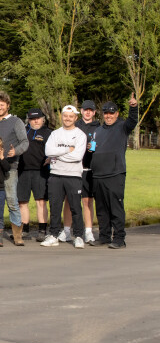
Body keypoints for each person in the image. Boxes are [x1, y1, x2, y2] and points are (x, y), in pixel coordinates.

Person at [90, 95, 138, 249]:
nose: (108, 116)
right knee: (101, 209)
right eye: (106, 113)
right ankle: (104, 236)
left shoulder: (123, 127)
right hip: (98, 174)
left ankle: (119, 238)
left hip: (114, 174)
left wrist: (133, 107)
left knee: (116, 207)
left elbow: (133, 121)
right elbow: (93, 148)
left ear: (117, 114)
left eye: (111, 113)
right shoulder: (98, 130)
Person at [41, 105, 87, 249]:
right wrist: (67, 149)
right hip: (56, 175)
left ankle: (78, 236)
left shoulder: (80, 135)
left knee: (75, 207)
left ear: (75, 118)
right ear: (62, 116)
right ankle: (53, 235)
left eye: (70, 116)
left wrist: (57, 155)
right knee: (55, 207)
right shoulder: (55, 134)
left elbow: (77, 156)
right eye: (65, 116)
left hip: (73, 175)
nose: (67, 119)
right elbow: (48, 151)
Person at [0, 91, 29, 245]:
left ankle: (17, 235)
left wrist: (15, 151)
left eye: (2, 105)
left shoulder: (16, 122)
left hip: (10, 167)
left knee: (12, 201)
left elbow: (24, 142)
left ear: (8, 105)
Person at [17, 108, 52, 242]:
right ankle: (24, 230)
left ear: (43, 119)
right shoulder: (23, 131)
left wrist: (50, 158)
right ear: (29, 120)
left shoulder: (49, 132)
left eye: (38, 118)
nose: (36, 121)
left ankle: (42, 230)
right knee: (22, 202)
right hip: (23, 170)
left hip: (41, 171)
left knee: (40, 201)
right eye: (33, 119)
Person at [72, 100, 101, 243]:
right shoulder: (75, 126)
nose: (88, 112)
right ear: (81, 111)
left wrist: (95, 147)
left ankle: (88, 231)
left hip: (90, 168)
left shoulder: (99, 128)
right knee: (71, 200)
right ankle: (68, 230)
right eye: (85, 110)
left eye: (91, 110)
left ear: (94, 112)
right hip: (75, 168)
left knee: (88, 201)